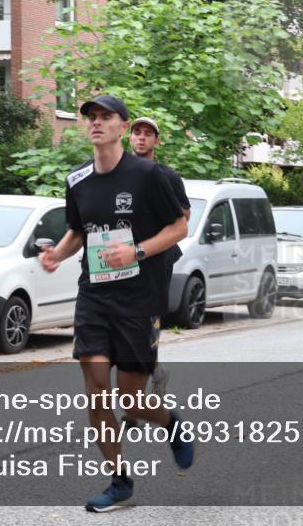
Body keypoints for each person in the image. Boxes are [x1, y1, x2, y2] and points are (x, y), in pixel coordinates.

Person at [39, 95, 192, 512]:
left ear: (123, 127)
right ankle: (119, 479)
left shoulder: (148, 175)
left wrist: (137, 252)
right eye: (91, 117)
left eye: (106, 117)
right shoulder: (77, 180)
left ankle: (171, 424)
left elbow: (179, 226)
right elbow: (78, 231)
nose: (96, 123)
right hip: (95, 294)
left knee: (131, 399)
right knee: (95, 393)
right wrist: (58, 253)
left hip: (139, 297)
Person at [129, 116, 192, 397]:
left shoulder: (166, 176)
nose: (141, 138)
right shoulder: (115, 173)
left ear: (156, 140)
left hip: (156, 258)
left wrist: (155, 235)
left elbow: (184, 216)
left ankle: (144, 384)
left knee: (146, 319)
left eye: (148, 134)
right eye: (137, 133)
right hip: (120, 258)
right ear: (128, 138)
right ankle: (151, 370)